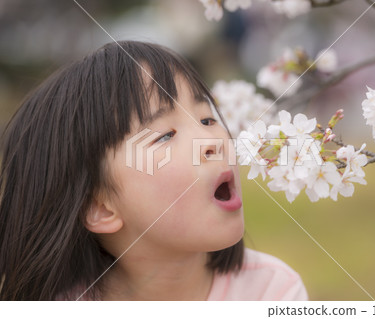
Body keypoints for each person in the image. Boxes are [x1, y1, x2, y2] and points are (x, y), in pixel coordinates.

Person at [0, 41, 308, 301]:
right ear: (100, 207)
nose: (212, 142)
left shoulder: (272, 292)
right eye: (165, 135)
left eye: (207, 120)